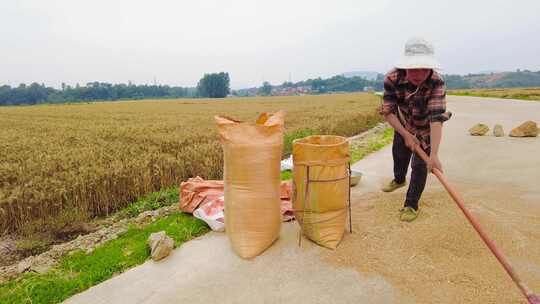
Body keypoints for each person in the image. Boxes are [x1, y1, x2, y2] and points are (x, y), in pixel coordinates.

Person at [380, 37, 452, 222]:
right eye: (414, 68)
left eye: (424, 68)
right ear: (405, 66)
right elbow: (388, 111)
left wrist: (434, 154)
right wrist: (405, 134)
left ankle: (411, 204)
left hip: (426, 128)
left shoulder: (436, 82)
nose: (419, 73)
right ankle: (399, 179)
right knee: (399, 154)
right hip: (403, 123)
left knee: (420, 166)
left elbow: (436, 119)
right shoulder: (392, 78)